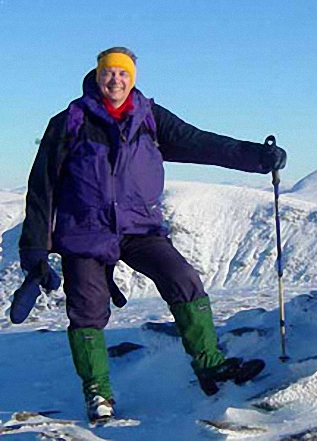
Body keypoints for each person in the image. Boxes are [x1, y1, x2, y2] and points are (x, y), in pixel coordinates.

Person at [16, 47, 286, 422]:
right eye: (109, 72)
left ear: (133, 78)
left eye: (123, 73)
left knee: (183, 279)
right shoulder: (69, 122)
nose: (116, 79)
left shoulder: (150, 118)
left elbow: (200, 142)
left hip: (139, 227)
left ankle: (211, 368)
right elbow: (42, 185)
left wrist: (256, 157)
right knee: (87, 309)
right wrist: (34, 246)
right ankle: (98, 393)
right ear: (97, 76)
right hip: (85, 233)